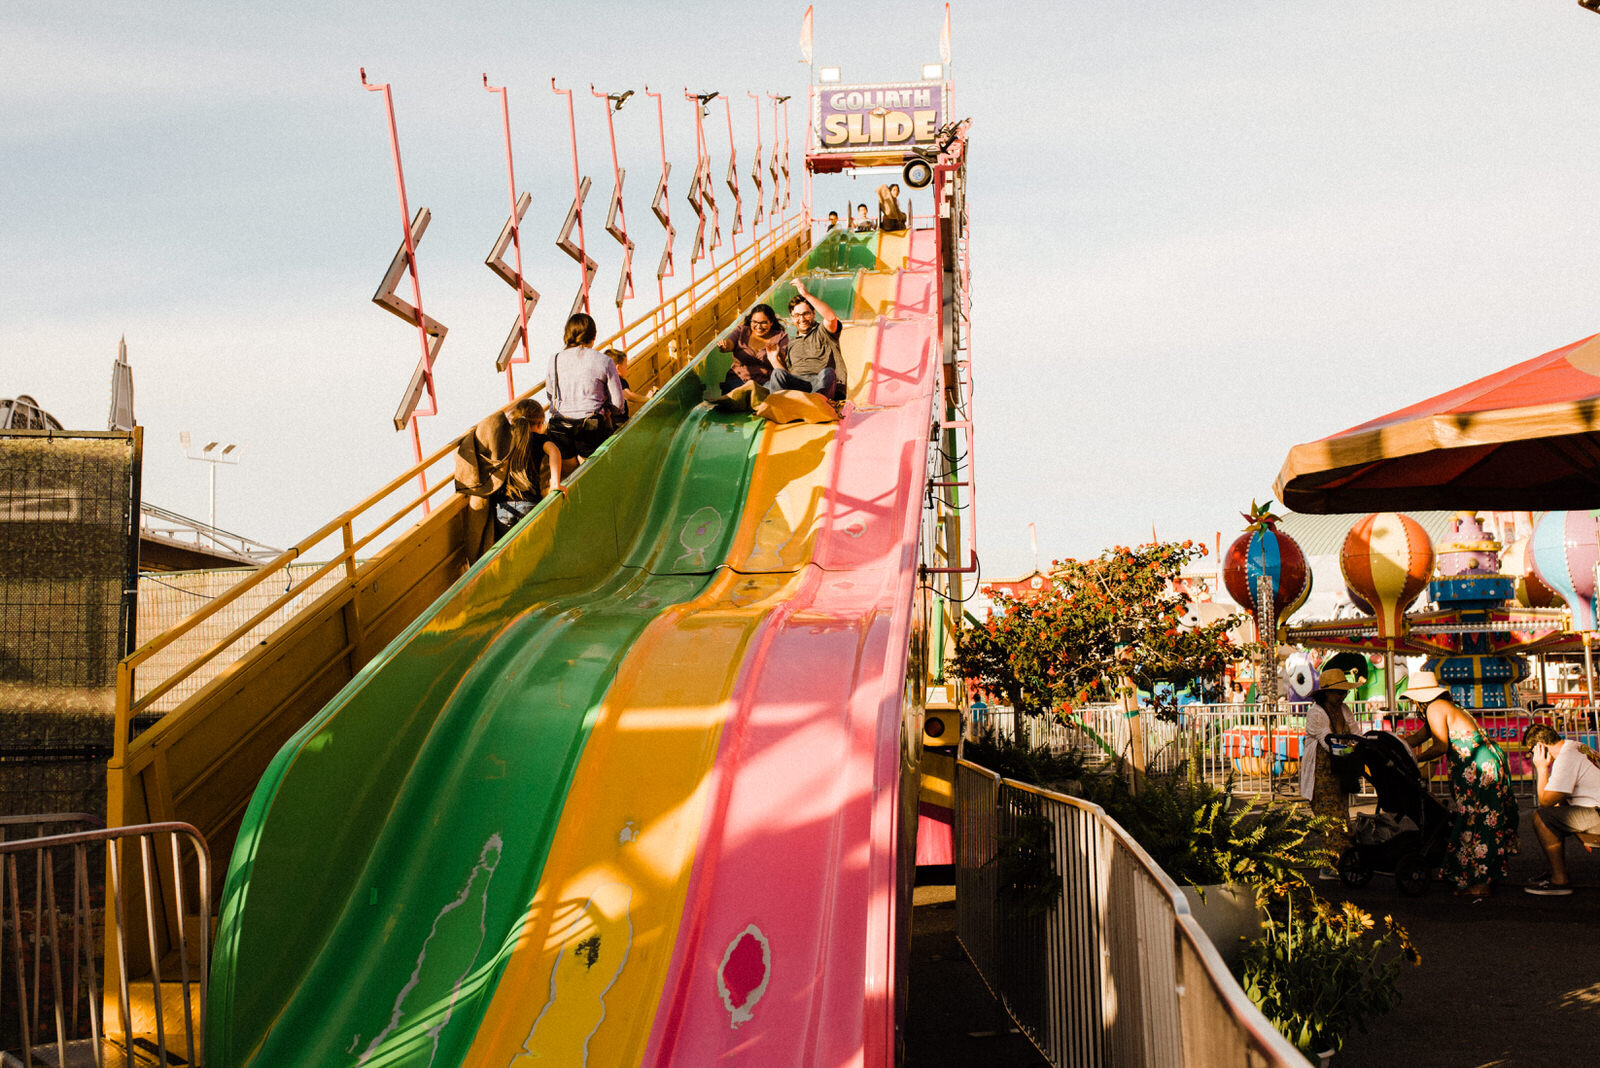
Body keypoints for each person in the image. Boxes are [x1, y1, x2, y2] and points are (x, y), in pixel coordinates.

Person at [1402, 670, 1519, 897]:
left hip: (1478, 768)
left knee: (1480, 820)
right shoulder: (1443, 707)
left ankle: (1481, 883)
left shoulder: (1435, 709)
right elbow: (1417, 738)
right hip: (1482, 764)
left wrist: (1414, 758)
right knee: (1478, 819)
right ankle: (1479, 876)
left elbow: (1439, 746)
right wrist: (1397, 745)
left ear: (1417, 698)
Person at [1522, 723, 1600, 895]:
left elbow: (1545, 801)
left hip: (1597, 814)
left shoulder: (1566, 758)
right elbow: (1562, 796)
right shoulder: (1576, 747)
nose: (1531, 757)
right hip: (1595, 809)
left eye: (1531, 753)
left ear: (1539, 748)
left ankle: (1559, 880)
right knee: (1553, 815)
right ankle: (1556, 871)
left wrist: (1541, 769)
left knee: (1542, 817)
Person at [546, 312, 625, 472]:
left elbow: (550, 395)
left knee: (571, 474)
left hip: (560, 428)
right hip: (591, 428)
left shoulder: (554, 359)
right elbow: (618, 403)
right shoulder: (604, 360)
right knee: (593, 471)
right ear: (593, 335)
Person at [1300, 668, 1358, 879]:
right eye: (1337, 692)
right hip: (1321, 773)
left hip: (1339, 771)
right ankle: (1330, 864)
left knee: (1341, 814)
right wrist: (1347, 744)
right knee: (1329, 818)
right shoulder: (1316, 712)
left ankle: (1343, 860)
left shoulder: (1344, 709)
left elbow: (1355, 732)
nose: (1342, 696)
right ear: (1326, 693)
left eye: (1344, 692)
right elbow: (1328, 742)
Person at [493, 398, 565, 535]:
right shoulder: (539, 439)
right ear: (539, 423)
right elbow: (554, 451)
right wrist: (555, 483)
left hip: (503, 508)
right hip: (528, 504)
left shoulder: (507, 440)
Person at [771, 280, 846, 400]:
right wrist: (773, 359)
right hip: (798, 385)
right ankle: (780, 404)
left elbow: (831, 318)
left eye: (806, 314)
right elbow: (786, 374)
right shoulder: (791, 344)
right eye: (797, 315)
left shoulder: (823, 332)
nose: (802, 319)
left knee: (828, 373)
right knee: (777, 373)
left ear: (813, 313)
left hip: (819, 383)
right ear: (791, 317)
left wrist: (806, 295)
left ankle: (817, 401)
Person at [715, 303, 788, 394]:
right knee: (738, 394)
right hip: (739, 380)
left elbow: (783, 364)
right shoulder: (742, 331)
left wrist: (774, 356)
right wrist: (724, 346)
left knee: (770, 393)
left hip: (765, 383)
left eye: (763, 323)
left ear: (771, 322)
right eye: (754, 322)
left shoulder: (780, 337)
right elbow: (730, 344)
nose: (758, 326)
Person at [603, 348, 654, 425]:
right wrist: (647, 398)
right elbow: (628, 395)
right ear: (618, 368)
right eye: (625, 366)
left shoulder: (603, 379)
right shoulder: (618, 380)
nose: (627, 369)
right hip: (618, 422)